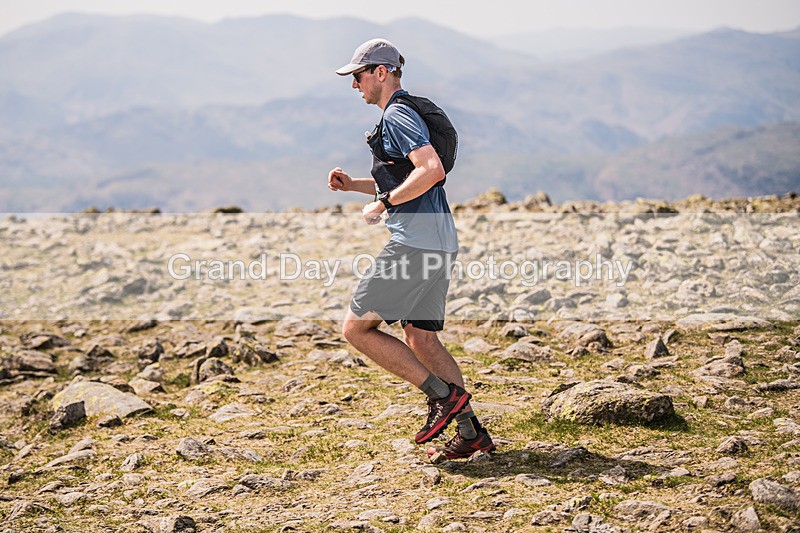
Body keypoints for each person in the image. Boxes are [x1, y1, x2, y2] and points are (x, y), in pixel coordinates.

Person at [327, 38, 495, 459]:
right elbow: (409, 178)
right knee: (421, 338)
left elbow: (430, 170)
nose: (355, 85)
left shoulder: (398, 114)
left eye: (358, 76)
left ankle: (442, 396)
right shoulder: (405, 113)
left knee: (356, 329)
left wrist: (382, 204)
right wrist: (357, 187)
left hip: (416, 244)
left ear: (380, 73)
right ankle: (471, 433)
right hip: (439, 241)